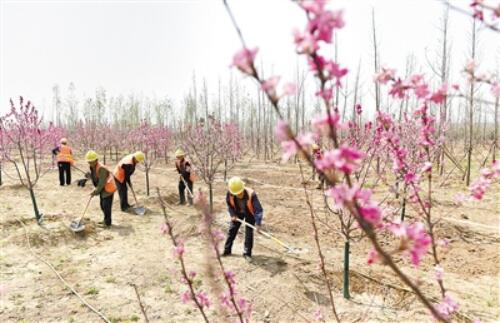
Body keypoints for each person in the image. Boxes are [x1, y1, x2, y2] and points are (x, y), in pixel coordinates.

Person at [222, 177, 264, 261]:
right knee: (232, 230)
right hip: (237, 213)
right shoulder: (230, 193)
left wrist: (258, 223)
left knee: (249, 233)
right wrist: (233, 214)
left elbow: (258, 210)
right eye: (236, 194)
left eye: (240, 192)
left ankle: (247, 253)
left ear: (243, 188)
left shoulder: (251, 194)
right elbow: (229, 205)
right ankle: (227, 250)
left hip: (249, 213)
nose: (239, 195)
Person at [85, 150, 116, 227]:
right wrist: (89, 176)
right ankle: (105, 220)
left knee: (106, 206)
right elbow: (96, 178)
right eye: (89, 162)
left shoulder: (102, 168)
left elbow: (102, 182)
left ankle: (107, 223)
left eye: (91, 161)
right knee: (102, 205)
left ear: (96, 160)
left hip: (108, 189)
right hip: (103, 189)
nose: (90, 163)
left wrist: (95, 192)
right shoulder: (93, 167)